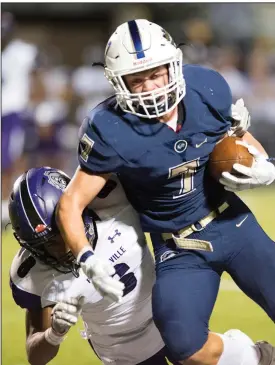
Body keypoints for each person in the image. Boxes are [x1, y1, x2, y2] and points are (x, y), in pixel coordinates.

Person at [56, 19, 275, 365]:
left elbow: (236, 142)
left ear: (174, 66)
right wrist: (87, 258)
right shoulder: (109, 129)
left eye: (156, 73)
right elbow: (70, 203)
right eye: (137, 79)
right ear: (118, 83)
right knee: (183, 346)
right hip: (177, 246)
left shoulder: (206, 88)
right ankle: (257, 357)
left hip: (232, 224)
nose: (150, 87)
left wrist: (266, 165)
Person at [9, 166, 181, 365]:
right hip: (122, 351)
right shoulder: (31, 273)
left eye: (62, 229)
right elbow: (35, 356)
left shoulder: (116, 196)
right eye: (46, 244)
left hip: (171, 317)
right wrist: (54, 333)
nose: (62, 248)